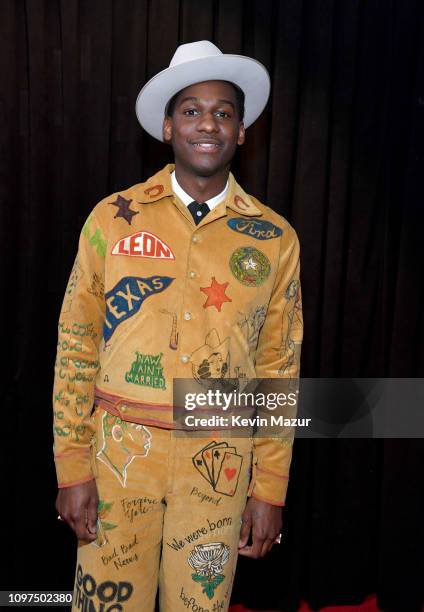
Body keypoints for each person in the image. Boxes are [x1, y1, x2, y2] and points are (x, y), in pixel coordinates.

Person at [54, 40, 303, 612]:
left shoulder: (274, 239)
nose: (207, 123)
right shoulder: (112, 219)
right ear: (168, 127)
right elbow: (76, 345)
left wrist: (269, 488)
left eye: (223, 112)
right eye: (191, 110)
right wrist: (71, 466)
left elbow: (279, 371)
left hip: (218, 465)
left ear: (242, 130)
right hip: (119, 461)